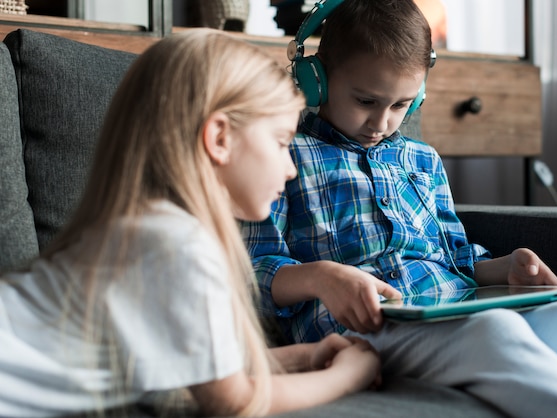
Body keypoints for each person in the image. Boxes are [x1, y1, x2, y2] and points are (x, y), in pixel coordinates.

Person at [240, 1, 557, 417]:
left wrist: (507, 269)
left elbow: (455, 257)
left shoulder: (423, 160)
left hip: (453, 302)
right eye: (366, 100)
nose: (382, 122)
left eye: (401, 105)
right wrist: (322, 277)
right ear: (317, 80)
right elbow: (251, 273)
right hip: (366, 325)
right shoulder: (284, 155)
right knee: (493, 329)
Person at [0, 29, 382, 417]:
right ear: (219, 137)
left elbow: (208, 371)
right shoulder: (181, 245)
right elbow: (233, 402)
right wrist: (348, 377)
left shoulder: (151, 231)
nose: (289, 169)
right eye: (282, 142)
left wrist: (307, 356)